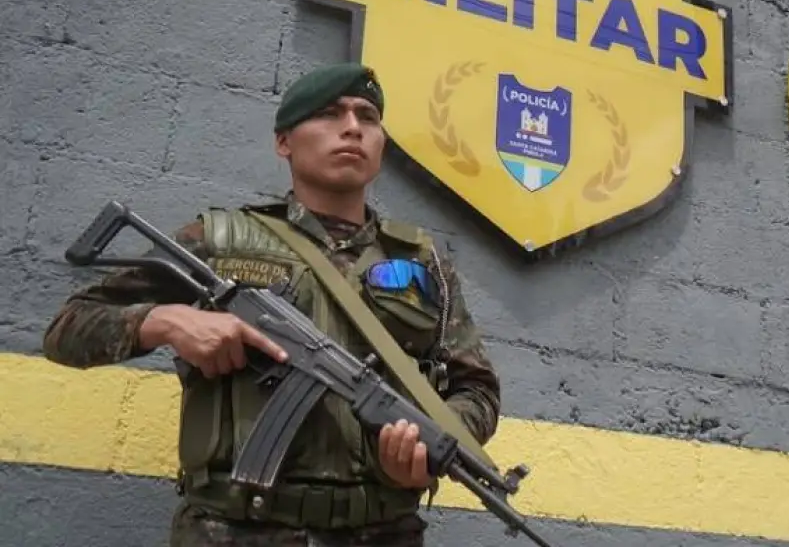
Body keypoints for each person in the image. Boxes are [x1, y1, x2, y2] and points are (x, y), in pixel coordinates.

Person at [42, 62, 501, 547]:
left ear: (381, 145)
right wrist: (165, 321)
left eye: (368, 117)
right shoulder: (220, 241)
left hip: (384, 533)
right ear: (284, 142)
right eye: (330, 113)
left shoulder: (422, 262)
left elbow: (477, 389)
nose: (352, 128)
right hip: (233, 532)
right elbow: (67, 329)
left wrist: (427, 450)